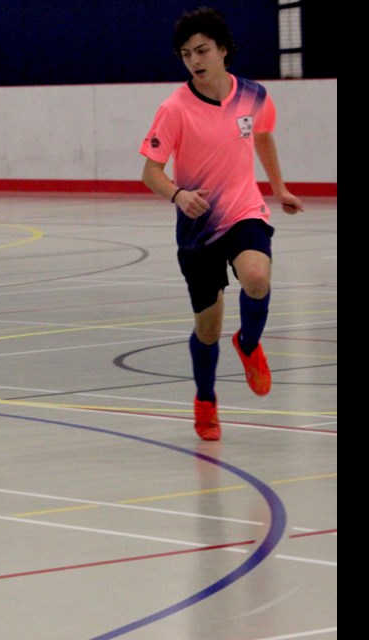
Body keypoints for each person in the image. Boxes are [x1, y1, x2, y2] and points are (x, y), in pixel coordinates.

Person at [139, 7, 303, 441]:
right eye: (187, 54)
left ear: (223, 50)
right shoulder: (173, 109)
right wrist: (178, 194)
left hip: (244, 211)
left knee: (256, 277)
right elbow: (150, 172)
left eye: (203, 50)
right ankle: (206, 400)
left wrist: (279, 188)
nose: (195, 60)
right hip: (198, 228)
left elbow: (262, 136)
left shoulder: (253, 95)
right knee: (207, 329)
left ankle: (248, 344)